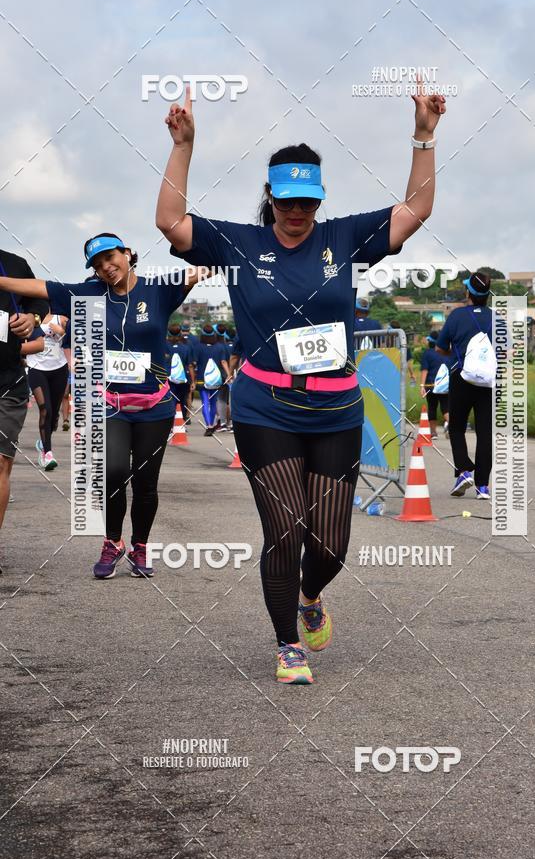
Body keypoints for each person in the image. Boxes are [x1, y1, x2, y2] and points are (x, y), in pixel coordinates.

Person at [157, 81, 445, 684]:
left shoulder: (343, 238)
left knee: (332, 544)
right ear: (271, 198)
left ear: (319, 199)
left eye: (306, 203)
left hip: (336, 408)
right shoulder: (241, 242)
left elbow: (415, 209)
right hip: (266, 408)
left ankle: (311, 596)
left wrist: (424, 135)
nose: (296, 213)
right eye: (287, 202)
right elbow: (171, 221)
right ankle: (287, 641)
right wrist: (184, 145)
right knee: (284, 532)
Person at [0, 234, 199, 578]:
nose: (107, 267)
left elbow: (206, 268)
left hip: (155, 405)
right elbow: (35, 287)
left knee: (146, 482)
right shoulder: (87, 293)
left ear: (128, 254)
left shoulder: (160, 289)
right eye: (98, 263)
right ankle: (112, 542)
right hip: (110, 405)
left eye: (111, 257)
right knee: (113, 473)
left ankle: (140, 546)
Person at [0, 249, 48, 573]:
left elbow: (41, 299)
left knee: (0, 463)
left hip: (7, 382)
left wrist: (33, 319)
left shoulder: (13, 264)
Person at [436, 271, 493, 499]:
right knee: (485, 433)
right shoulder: (495, 317)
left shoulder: (457, 316)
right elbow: (507, 350)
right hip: (488, 382)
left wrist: (459, 354)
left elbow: (440, 348)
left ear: (468, 291)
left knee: (457, 427)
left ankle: (464, 470)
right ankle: (483, 486)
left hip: (461, 377)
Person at [23, 314, 69, 470]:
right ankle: (47, 453)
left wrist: (62, 332)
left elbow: (81, 337)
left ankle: (43, 443)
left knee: (54, 416)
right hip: (36, 368)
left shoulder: (61, 318)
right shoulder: (30, 317)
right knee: (45, 410)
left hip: (59, 370)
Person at [419, 330, 451, 439]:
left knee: (432, 407)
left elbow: (425, 370)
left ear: (430, 342)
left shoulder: (427, 353)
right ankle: (452, 425)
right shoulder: (447, 353)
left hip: (430, 385)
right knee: (445, 407)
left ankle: (433, 433)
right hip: (445, 386)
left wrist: (422, 386)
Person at [165, 323, 195, 424]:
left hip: (167, 378)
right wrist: (193, 381)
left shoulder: (164, 346)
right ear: (180, 334)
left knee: (169, 400)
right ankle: (181, 423)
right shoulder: (186, 348)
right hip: (183, 379)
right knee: (182, 401)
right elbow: (190, 365)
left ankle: (170, 423)